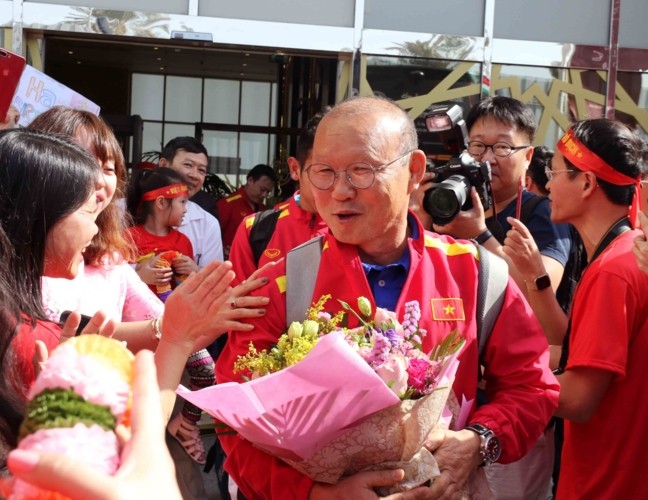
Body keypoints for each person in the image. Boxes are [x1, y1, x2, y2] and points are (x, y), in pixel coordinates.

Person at [215, 95, 559, 498]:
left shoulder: (477, 273)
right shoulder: (278, 284)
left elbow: (531, 387)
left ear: (414, 171)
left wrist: (478, 442)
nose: (340, 191)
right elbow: (233, 422)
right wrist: (314, 493)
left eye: (361, 171)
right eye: (323, 172)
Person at [546, 119, 648, 499]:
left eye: (554, 172)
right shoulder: (630, 252)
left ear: (587, 183)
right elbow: (585, 357)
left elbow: (578, 399)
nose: (548, 184)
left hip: (607, 484)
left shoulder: (613, 271)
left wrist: (509, 381)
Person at [126, 166, 213, 465]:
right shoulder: (128, 238)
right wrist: (141, 272)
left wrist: (193, 273)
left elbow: (189, 292)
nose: (187, 209)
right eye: (183, 202)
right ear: (162, 202)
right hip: (136, 331)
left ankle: (186, 426)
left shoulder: (183, 243)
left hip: (176, 329)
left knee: (206, 372)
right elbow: (118, 282)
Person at [228, 111, 329, 283]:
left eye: (353, 171)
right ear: (295, 169)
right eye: (325, 171)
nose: (339, 186)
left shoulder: (360, 232)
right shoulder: (256, 229)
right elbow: (235, 301)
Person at [217, 163, 277, 257]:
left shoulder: (262, 208)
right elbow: (210, 236)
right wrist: (221, 249)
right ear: (250, 180)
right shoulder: (227, 204)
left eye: (268, 192)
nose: (264, 195)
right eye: (262, 189)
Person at [158, 135, 219, 220]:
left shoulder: (207, 223)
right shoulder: (135, 207)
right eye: (188, 165)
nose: (194, 175)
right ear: (164, 165)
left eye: (201, 170)